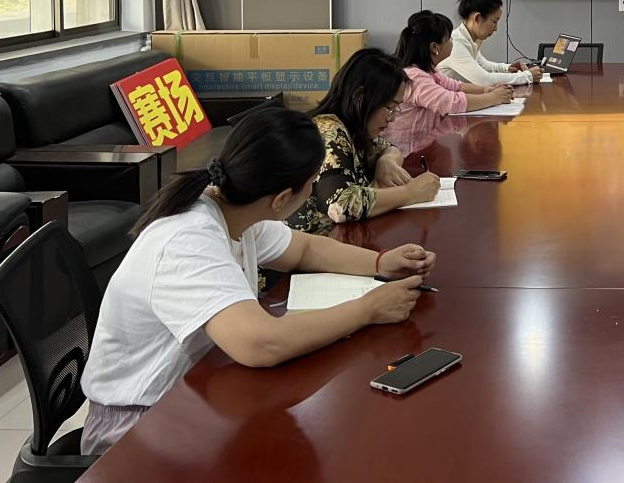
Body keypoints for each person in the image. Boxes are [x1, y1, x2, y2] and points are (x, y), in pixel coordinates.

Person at [80, 107, 436, 454]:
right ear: (281, 199)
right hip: (135, 429)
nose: (313, 191)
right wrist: (368, 309)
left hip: (197, 394)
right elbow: (261, 344)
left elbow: (305, 249)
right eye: (311, 184)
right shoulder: (187, 240)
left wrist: (382, 262)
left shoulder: (235, 209)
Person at [287, 48, 440, 235]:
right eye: (390, 108)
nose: (392, 118)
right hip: (315, 243)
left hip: (344, 236)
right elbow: (341, 205)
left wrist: (387, 161)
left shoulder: (357, 130)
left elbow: (391, 149)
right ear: (359, 98)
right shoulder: (329, 130)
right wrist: (410, 193)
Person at [384, 10, 516, 152]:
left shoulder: (428, 71)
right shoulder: (414, 77)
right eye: (449, 39)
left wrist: (485, 90)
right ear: (434, 47)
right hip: (405, 152)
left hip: (423, 145)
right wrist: (493, 98)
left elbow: (455, 85)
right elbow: (450, 103)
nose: (453, 42)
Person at [438, 0, 543, 86]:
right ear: (478, 18)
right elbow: (485, 80)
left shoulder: (468, 39)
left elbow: (483, 64)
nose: (496, 28)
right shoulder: (456, 44)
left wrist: (507, 68)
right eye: (494, 22)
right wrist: (527, 76)